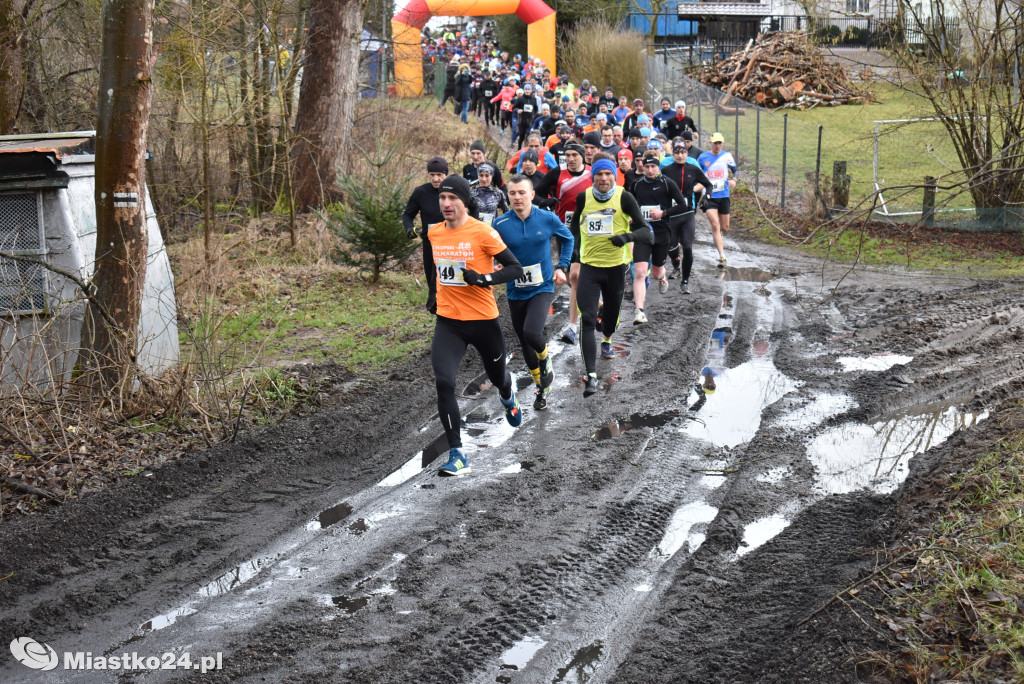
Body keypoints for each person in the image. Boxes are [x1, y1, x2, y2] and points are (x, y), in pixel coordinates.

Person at [427, 175, 525, 476]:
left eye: (452, 198)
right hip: (449, 322)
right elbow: (434, 265)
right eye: (442, 198)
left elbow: (514, 268)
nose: (446, 204)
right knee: (444, 382)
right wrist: (433, 293)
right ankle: (457, 453)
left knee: (498, 378)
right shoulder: (434, 232)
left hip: (483, 321)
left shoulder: (483, 232)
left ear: (464, 201)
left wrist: (484, 279)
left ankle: (508, 395)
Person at [568, 154, 651, 396]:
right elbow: (575, 226)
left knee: (612, 317)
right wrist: (574, 250)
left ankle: (607, 339)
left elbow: (646, 231)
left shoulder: (624, 197)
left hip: (616, 267)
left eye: (608, 174)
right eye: (599, 174)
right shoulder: (584, 197)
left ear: (614, 176)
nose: (603, 179)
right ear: (592, 176)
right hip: (590, 267)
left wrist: (627, 237)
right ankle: (591, 375)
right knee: (587, 318)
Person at [492, 175, 574, 410]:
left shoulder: (546, 218)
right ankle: (542, 388)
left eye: (521, 192)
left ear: (531, 195)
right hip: (515, 289)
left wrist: (562, 266)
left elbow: (568, 239)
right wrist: (494, 265)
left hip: (542, 286)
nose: (516, 197)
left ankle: (545, 359)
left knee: (532, 333)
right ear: (507, 196)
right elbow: (488, 249)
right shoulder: (500, 224)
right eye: (512, 193)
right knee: (524, 342)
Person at [534, 140, 591, 344]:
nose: (571, 159)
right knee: (570, 277)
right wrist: (545, 202)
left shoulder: (593, 173)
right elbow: (537, 193)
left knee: (575, 276)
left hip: (588, 231)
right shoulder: (557, 173)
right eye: (568, 156)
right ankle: (597, 303)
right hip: (564, 231)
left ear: (582, 156)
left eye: (575, 155)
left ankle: (572, 327)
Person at [628, 151, 689, 322]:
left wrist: (664, 213)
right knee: (640, 272)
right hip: (641, 231)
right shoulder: (636, 184)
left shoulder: (667, 184)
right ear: (642, 166)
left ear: (658, 166)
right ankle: (639, 311)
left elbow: (683, 205)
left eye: (653, 166)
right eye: (646, 166)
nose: (649, 169)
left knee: (655, 273)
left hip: (662, 232)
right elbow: (628, 204)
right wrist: (631, 216)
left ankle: (662, 276)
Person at [662, 140, 710, 290]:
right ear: (673, 154)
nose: (680, 155)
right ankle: (676, 264)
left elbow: (708, 184)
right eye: (677, 152)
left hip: (688, 213)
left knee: (688, 247)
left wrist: (706, 198)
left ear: (687, 154)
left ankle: (685, 280)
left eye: (683, 152)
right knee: (671, 247)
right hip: (672, 215)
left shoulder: (693, 168)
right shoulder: (666, 169)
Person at [403, 156, 448, 314]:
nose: (435, 179)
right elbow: (407, 215)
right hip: (430, 243)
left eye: (439, 175)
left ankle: (447, 305)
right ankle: (435, 306)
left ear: (446, 175)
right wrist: (409, 229)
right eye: (432, 175)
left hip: (451, 242)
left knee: (446, 276)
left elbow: (471, 208)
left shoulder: (453, 190)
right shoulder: (420, 192)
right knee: (431, 277)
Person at [696, 133, 737, 268]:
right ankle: (722, 256)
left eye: (720, 143)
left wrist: (734, 180)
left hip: (724, 195)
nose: (717, 146)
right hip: (709, 197)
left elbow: (735, 170)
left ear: (723, 144)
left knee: (725, 228)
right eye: (715, 143)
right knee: (715, 225)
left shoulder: (727, 156)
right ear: (710, 143)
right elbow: (697, 174)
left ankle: (720, 236)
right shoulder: (703, 158)